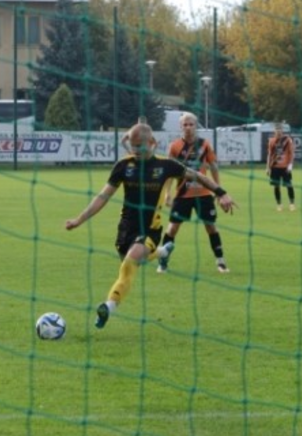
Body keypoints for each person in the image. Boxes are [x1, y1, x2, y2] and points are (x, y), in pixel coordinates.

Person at [65, 122, 237, 329]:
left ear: (152, 142)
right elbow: (103, 197)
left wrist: (221, 193)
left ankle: (108, 307)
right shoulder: (123, 166)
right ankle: (162, 252)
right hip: (126, 229)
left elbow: (198, 175)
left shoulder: (166, 166)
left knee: (129, 265)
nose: (136, 150)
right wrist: (79, 219)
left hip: (150, 229)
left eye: (140, 145)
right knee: (132, 261)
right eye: (133, 145)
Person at [157, 112, 230, 274]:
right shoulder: (174, 146)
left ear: (196, 126)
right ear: (180, 127)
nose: (188, 127)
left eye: (191, 124)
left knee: (211, 227)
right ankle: (163, 262)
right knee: (172, 229)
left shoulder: (204, 144)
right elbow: (169, 173)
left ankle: (220, 261)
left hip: (203, 194)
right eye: (185, 124)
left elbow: (214, 167)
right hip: (182, 195)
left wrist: (218, 191)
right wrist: (167, 193)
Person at [266, 121, 296, 211]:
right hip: (275, 167)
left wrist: (290, 165)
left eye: (280, 130)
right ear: (274, 131)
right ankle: (279, 204)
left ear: (282, 131)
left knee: (289, 185)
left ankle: (292, 204)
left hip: (285, 167)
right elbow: (269, 155)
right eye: (277, 130)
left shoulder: (287, 140)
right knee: (276, 186)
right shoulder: (271, 141)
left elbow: (291, 153)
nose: (278, 131)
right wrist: (267, 167)